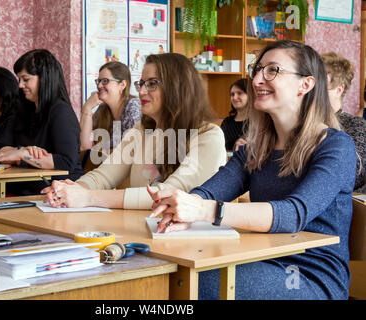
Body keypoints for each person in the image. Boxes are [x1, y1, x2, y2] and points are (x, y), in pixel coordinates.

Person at [148, 40, 357, 299]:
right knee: (167, 269)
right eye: (257, 70)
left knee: (192, 282)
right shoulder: (255, 149)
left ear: (305, 84)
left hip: (309, 275)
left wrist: (202, 210)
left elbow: (293, 214)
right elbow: (211, 191)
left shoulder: (336, 147)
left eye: (272, 70)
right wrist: (183, 207)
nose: (257, 79)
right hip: (262, 257)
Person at [42, 53, 227, 210]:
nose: (142, 91)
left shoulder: (208, 136)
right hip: (143, 228)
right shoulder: (142, 130)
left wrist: (88, 197)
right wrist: (70, 189)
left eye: (152, 83)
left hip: (190, 242)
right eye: (141, 83)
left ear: (178, 87)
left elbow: (166, 194)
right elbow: (104, 175)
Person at [0, 49, 83, 194]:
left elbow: (66, 162)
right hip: (25, 188)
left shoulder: (60, 112)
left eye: (26, 79)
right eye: (19, 79)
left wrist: (23, 155)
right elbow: (0, 151)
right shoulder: (22, 111)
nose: (20, 85)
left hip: (56, 192)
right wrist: (24, 150)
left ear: (44, 78)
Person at [321, 51, 365, 193]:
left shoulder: (357, 125)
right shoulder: (301, 122)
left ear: (339, 89)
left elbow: (353, 175)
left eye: (322, 82)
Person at [80, 61, 141, 159]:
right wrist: (87, 109)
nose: (99, 86)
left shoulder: (133, 106)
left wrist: (102, 152)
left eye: (105, 81)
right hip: (109, 171)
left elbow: (134, 148)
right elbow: (85, 148)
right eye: (98, 81)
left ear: (122, 85)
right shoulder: (103, 109)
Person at [220, 78, 249, 151]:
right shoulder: (226, 122)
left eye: (239, 93)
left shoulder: (259, 122)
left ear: (250, 95)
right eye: (232, 94)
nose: (235, 98)